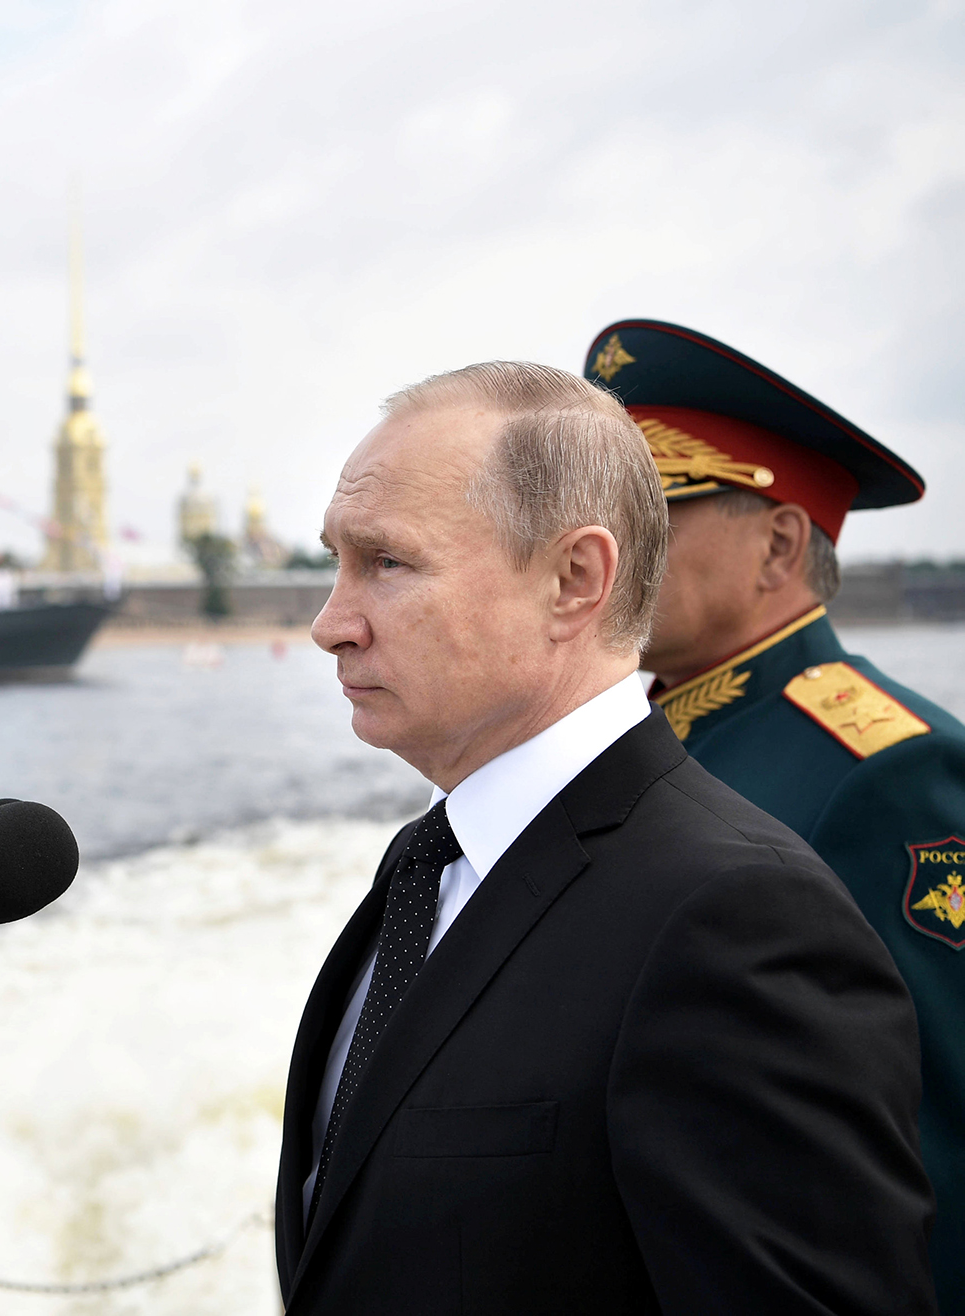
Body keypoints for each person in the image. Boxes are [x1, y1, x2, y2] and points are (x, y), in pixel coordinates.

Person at [278, 361, 934, 1313]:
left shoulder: (737, 921)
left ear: (575, 580)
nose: (328, 624)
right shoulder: (432, 866)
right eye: (336, 561)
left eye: (386, 562)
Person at [583, 317, 965, 1310]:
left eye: (650, 516)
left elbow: (942, 1128)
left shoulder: (890, 764)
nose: (604, 549)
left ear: (779, 543)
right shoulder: (639, 735)